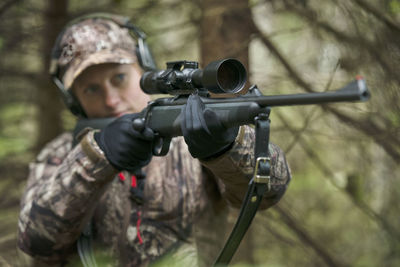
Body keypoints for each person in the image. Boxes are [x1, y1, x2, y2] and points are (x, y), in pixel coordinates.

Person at [17, 14, 291, 267]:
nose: (112, 100)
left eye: (120, 78)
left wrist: (228, 146)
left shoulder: (190, 136)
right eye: (91, 89)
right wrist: (98, 156)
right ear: (73, 101)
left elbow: (271, 189)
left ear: (143, 70)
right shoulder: (63, 153)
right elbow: (35, 241)